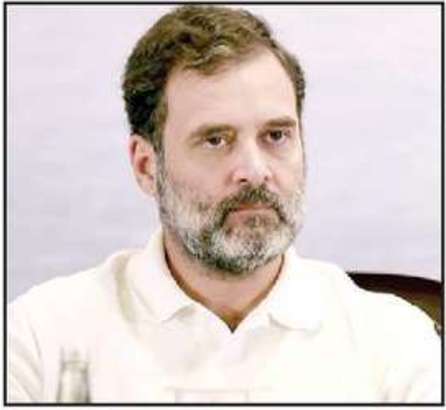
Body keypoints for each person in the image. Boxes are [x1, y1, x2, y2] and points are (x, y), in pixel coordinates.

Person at [7, 5, 440, 403]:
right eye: (215, 140)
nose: (254, 171)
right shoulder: (41, 342)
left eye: (276, 136)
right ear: (146, 166)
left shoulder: (395, 346)